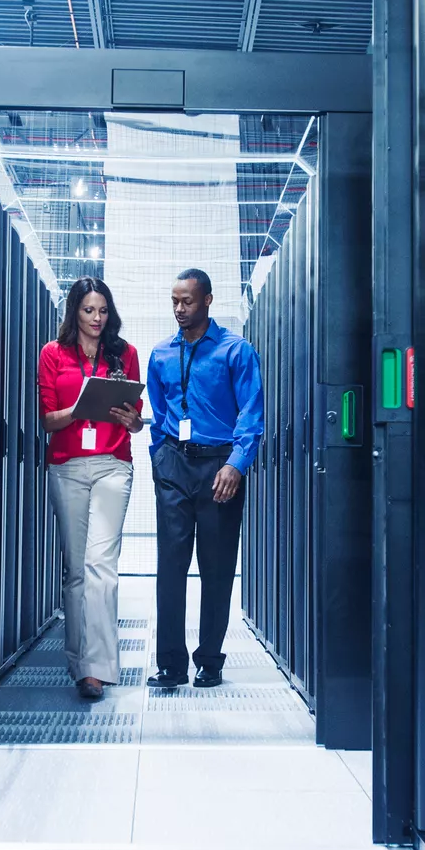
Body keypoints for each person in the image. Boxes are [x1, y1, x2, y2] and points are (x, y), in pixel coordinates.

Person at [146, 268, 264, 689]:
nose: (180, 309)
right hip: (174, 466)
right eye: (175, 301)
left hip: (221, 468)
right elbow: (160, 415)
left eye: (188, 301)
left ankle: (210, 661)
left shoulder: (237, 351)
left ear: (208, 300)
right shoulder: (160, 354)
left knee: (217, 569)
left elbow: (251, 414)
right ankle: (171, 665)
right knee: (170, 568)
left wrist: (236, 464)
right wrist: (160, 456)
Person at [38, 277, 144, 700]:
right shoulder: (53, 353)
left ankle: (97, 669)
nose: (97, 318)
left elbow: (134, 414)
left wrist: (133, 421)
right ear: (74, 313)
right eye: (88, 311)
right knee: (77, 570)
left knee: (102, 564)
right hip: (66, 465)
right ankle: (79, 664)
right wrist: (80, 408)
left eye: (102, 310)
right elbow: (47, 419)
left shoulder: (125, 354)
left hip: (112, 464)